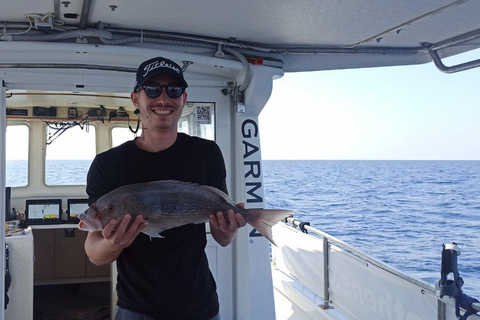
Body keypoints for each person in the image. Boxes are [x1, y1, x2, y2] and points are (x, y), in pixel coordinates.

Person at [84, 56, 247, 320]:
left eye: (173, 90)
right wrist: (114, 243)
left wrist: (228, 228)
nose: (163, 98)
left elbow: (223, 239)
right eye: (152, 89)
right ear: (136, 98)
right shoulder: (108, 164)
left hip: (200, 305)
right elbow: (95, 253)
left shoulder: (206, 153)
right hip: (136, 307)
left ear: (183, 98)